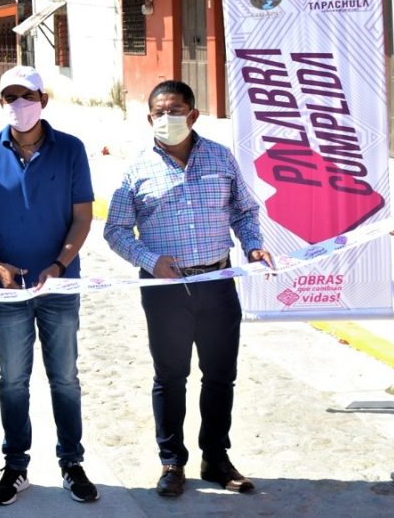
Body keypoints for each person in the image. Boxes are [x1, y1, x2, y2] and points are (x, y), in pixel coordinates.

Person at [104, 80, 274, 498]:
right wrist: (150, 261)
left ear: (193, 114)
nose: (166, 119)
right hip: (166, 292)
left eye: (175, 110)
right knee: (170, 377)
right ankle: (171, 462)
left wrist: (252, 247)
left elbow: (245, 210)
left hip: (217, 283)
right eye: (158, 112)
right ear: (149, 119)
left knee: (219, 375)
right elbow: (116, 229)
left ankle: (216, 458)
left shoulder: (220, 157)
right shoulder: (136, 168)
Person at [0, 66, 99, 505]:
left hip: (58, 286)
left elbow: (82, 216)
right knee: (13, 380)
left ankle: (71, 463)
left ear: (44, 98)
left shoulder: (71, 150)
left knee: (64, 378)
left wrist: (60, 264)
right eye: (10, 97)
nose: (19, 104)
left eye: (26, 95)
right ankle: (16, 466)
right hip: (5, 290)